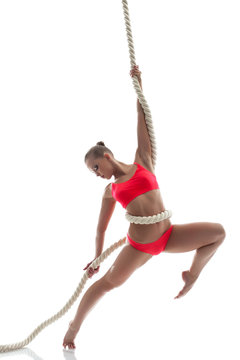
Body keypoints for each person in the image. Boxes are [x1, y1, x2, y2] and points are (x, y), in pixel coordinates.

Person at [62, 65, 226, 350]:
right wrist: (97, 258)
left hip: (168, 236)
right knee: (107, 285)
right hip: (139, 246)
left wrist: (138, 83)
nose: (96, 173)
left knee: (218, 233)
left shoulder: (143, 161)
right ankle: (73, 328)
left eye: (96, 166)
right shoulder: (109, 191)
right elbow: (100, 228)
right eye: (92, 171)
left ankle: (192, 276)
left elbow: (142, 116)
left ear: (107, 156)